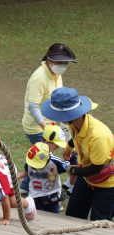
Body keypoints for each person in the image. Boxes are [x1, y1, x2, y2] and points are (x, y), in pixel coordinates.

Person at [41, 87, 114, 220]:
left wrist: (73, 171)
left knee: (99, 223)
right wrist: (69, 146)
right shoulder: (75, 122)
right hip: (86, 177)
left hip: (106, 183)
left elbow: (96, 168)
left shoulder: (99, 136)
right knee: (72, 216)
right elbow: (76, 135)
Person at [20, 43, 77, 193]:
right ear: (49, 61)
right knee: (43, 157)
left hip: (51, 124)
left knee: (41, 157)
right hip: (37, 127)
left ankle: (25, 186)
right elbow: (33, 106)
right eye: (60, 62)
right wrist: (46, 129)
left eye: (65, 63)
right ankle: (33, 189)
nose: (63, 66)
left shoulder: (56, 74)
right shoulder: (39, 77)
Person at [17, 142, 69, 213]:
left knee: (52, 219)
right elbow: (26, 171)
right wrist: (16, 177)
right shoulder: (31, 161)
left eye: (36, 164)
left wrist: (70, 157)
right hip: (34, 196)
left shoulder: (55, 162)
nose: (34, 166)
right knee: (33, 218)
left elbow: (70, 168)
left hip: (51, 198)